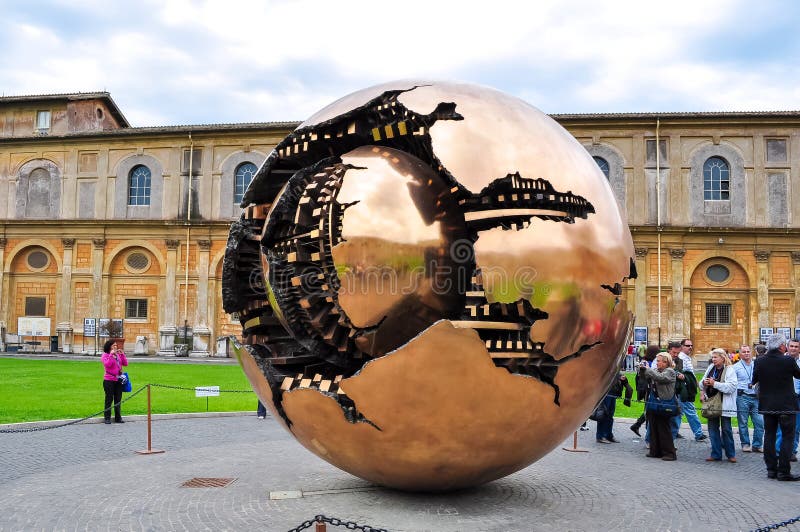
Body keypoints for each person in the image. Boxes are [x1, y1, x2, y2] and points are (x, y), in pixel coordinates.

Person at [752, 333, 800, 480]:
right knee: (787, 437)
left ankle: (771, 470)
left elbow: (754, 379)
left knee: (769, 436)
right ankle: (783, 471)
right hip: (786, 406)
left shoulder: (760, 361)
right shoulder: (788, 360)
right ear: (781, 346)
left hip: (767, 405)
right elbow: (798, 375)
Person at [700, 348, 738, 462]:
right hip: (712, 404)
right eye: (712, 357)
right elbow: (701, 383)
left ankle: (730, 454)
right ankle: (716, 454)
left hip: (724, 404)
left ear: (722, 358)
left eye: (715, 357)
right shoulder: (711, 367)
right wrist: (704, 384)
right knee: (712, 429)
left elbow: (731, 387)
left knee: (726, 430)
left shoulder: (730, 369)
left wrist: (714, 384)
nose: (713, 359)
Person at [641, 353, 677, 461]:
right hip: (654, 403)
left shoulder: (670, 372)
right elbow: (645, 377)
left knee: (664, 429)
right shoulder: (656, 370)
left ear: (666, 362)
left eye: (660, 361)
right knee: (654, 427)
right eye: (657, 361)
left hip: (664, 403)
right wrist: (641, 369)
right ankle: (655, 451)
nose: (657, 363)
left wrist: (648, 369)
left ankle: (670, 453)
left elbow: (660, 378)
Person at [671, 339, 707, 441]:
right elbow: (678, 372)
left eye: (691, 345)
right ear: (682, 346)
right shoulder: (681, 358)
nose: (690, 347)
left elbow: (691, 375)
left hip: (686, 388)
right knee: (690, 410)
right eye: (687, 345)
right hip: (684, 389)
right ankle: (698, 433)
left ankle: (674, 431)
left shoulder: (686, 358)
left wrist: (699, 387)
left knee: (679, 411)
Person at [732, 344, 763, 452]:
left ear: (751, 352)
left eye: (748, 351)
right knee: (743, 422)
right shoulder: (736, 367)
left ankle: (757, 445)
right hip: (742, 397)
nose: (746, 353)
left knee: (760, 422)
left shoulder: (757, 364)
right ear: (740, 354)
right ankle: (745, 444)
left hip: (756, 397)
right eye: (744, 352)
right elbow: (733, 382)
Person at [775, 338, 800, 463]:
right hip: (783, 398)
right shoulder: (780, 361)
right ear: (787, 347)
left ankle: (792, 451)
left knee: (796, 427)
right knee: (781, 426)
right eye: (791, 346)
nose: (793, 348)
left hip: (798, 398)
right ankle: (778, 451)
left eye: (796, 346)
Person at [630, 344, 660, 437]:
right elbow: (645, 376)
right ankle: (648, 433)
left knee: (649, 409)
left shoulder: (651, 361)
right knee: (649, 409)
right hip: (648, 388)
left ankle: (637, 425)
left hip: (651, 387)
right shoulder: (645, 362)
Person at [596, 370, 633, 443]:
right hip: (606, 392)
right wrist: (619, 376)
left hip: (613, 392)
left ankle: (608, 435)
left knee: (610, 415)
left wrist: (622, 377)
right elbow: (606, 374)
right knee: (603, 414)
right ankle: (600, 436)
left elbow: (616, 371)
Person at [101, 339, 128, 424]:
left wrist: (122, 354)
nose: (115, 347)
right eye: (113, 345)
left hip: (118, 380)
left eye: (116, 345)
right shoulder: (105, 355)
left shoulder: (118, 355)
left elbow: (125, 363)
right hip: (109, 380)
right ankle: (107, 418)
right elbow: (108, 365)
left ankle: (118, 418)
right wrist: (111, 355)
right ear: (109, 347)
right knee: (109, 399)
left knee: (118, 399)